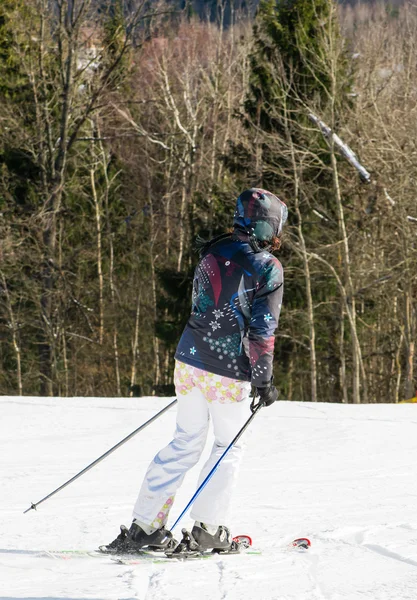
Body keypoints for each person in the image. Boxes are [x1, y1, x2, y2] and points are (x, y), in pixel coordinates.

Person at [102, 188, 288, 554]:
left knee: (185, 443)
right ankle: (208, 529)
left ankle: (146, 526)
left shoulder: (212, 252)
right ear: (266, 226)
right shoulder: (267, 267)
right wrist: (263, 377)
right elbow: (263, 328)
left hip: (188, 362)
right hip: (229, 371)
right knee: (226, 446)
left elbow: (204, 308)